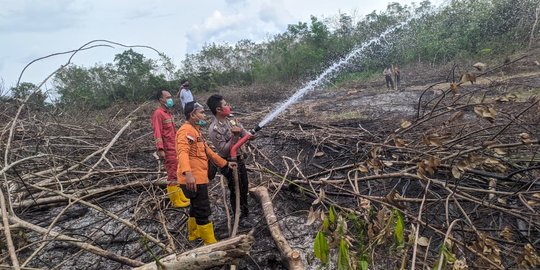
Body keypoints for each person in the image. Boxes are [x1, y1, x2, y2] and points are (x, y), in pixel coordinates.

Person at [176, 101, 235, 245]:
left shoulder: (196, 131)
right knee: (203, 210)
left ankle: (193, 234)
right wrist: (188, 174)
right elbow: (182, 152)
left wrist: (225, 164)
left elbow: (209, 153)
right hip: (193, 179)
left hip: (198, 177)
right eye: (201, 112)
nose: (204, 115)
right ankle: (210, 243)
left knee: (195, 207)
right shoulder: (186, 131)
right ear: (192, 114)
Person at [206, 94, 251, 219]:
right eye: (225, 105)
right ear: (218, 109)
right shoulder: (214, 129)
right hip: (229, 162)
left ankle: (245, 213)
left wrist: (249, 134)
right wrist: (234, 136)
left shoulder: (231, 120)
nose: (228, 106)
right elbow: (225, 151)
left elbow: (243, 131)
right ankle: (238, 216)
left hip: (240, 159)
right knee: (236, 189)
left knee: (244, 186)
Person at [151, 90, 190, 208]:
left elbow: (171, 131)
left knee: (177, 171)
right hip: (168, 149)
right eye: (167, 97)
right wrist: (160, 149)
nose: (170, 99)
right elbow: (157, 132)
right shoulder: (158, 114)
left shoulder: (167, 113)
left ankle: (180, 195)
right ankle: (174, 200)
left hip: (174, 146)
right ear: (161, 99)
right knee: (172, 173)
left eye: (170, 97)